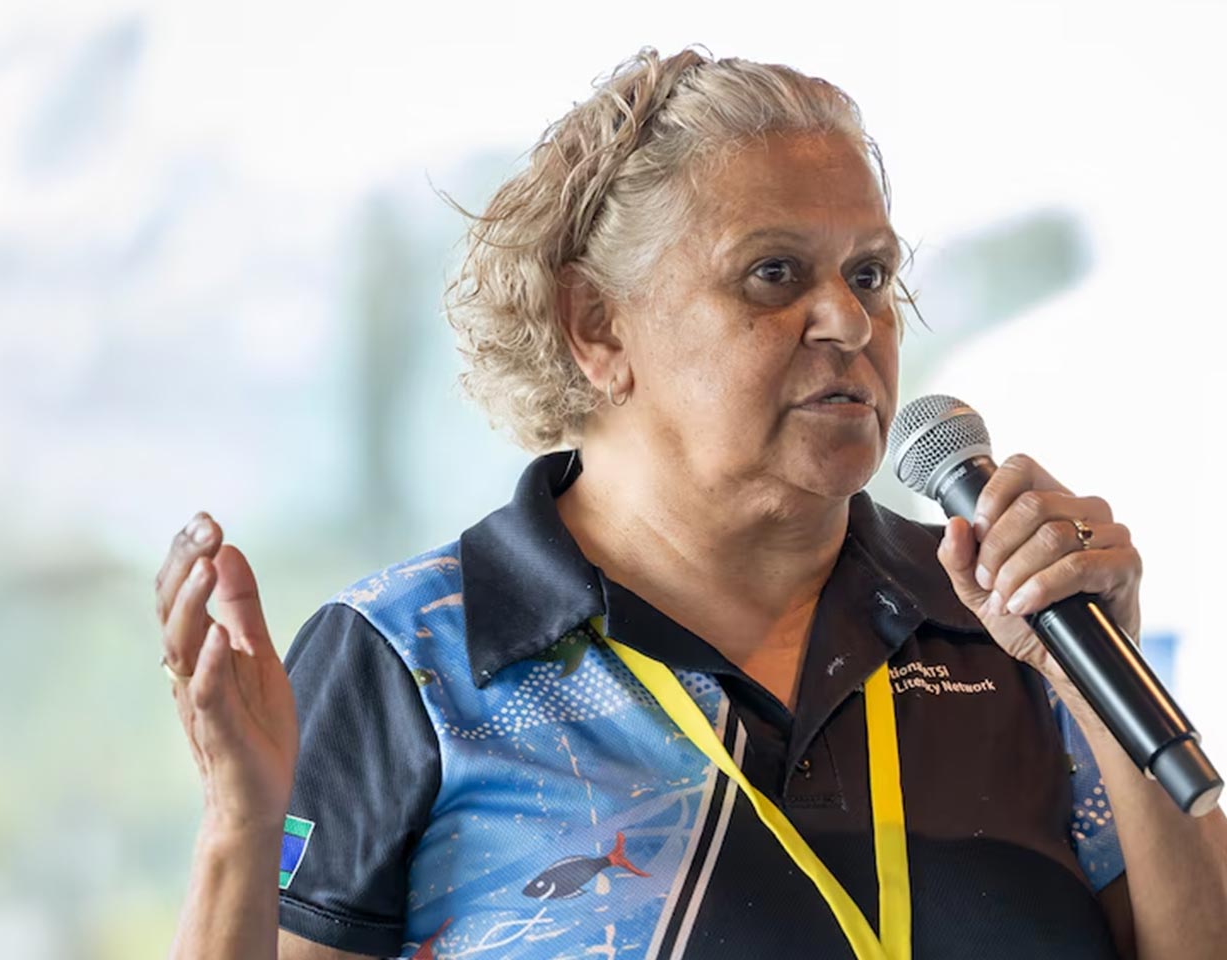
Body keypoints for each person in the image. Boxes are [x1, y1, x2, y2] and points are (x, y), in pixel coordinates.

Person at [155, 48, 1227, 959]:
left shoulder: (1011, 625)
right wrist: (240, 834)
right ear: (596, 327)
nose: (850, 322)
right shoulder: (412, 657)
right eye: (774, 273)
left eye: (869, 274)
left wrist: (1104, 682)